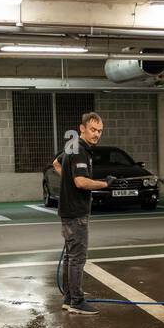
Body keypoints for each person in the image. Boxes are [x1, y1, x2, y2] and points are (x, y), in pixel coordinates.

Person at [57, 112, 112, 314]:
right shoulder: (79, 150)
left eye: (99, 131)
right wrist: (105, 183)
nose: (97, 134)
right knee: (78, 258)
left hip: (68, 210)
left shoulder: (71, 147)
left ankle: (69, 298)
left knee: (71, 257)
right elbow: (80, 182)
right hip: (76, 213)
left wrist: (67, 181)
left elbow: (56, 163)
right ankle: (77, 302)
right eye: (93, 130)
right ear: (82, 128)